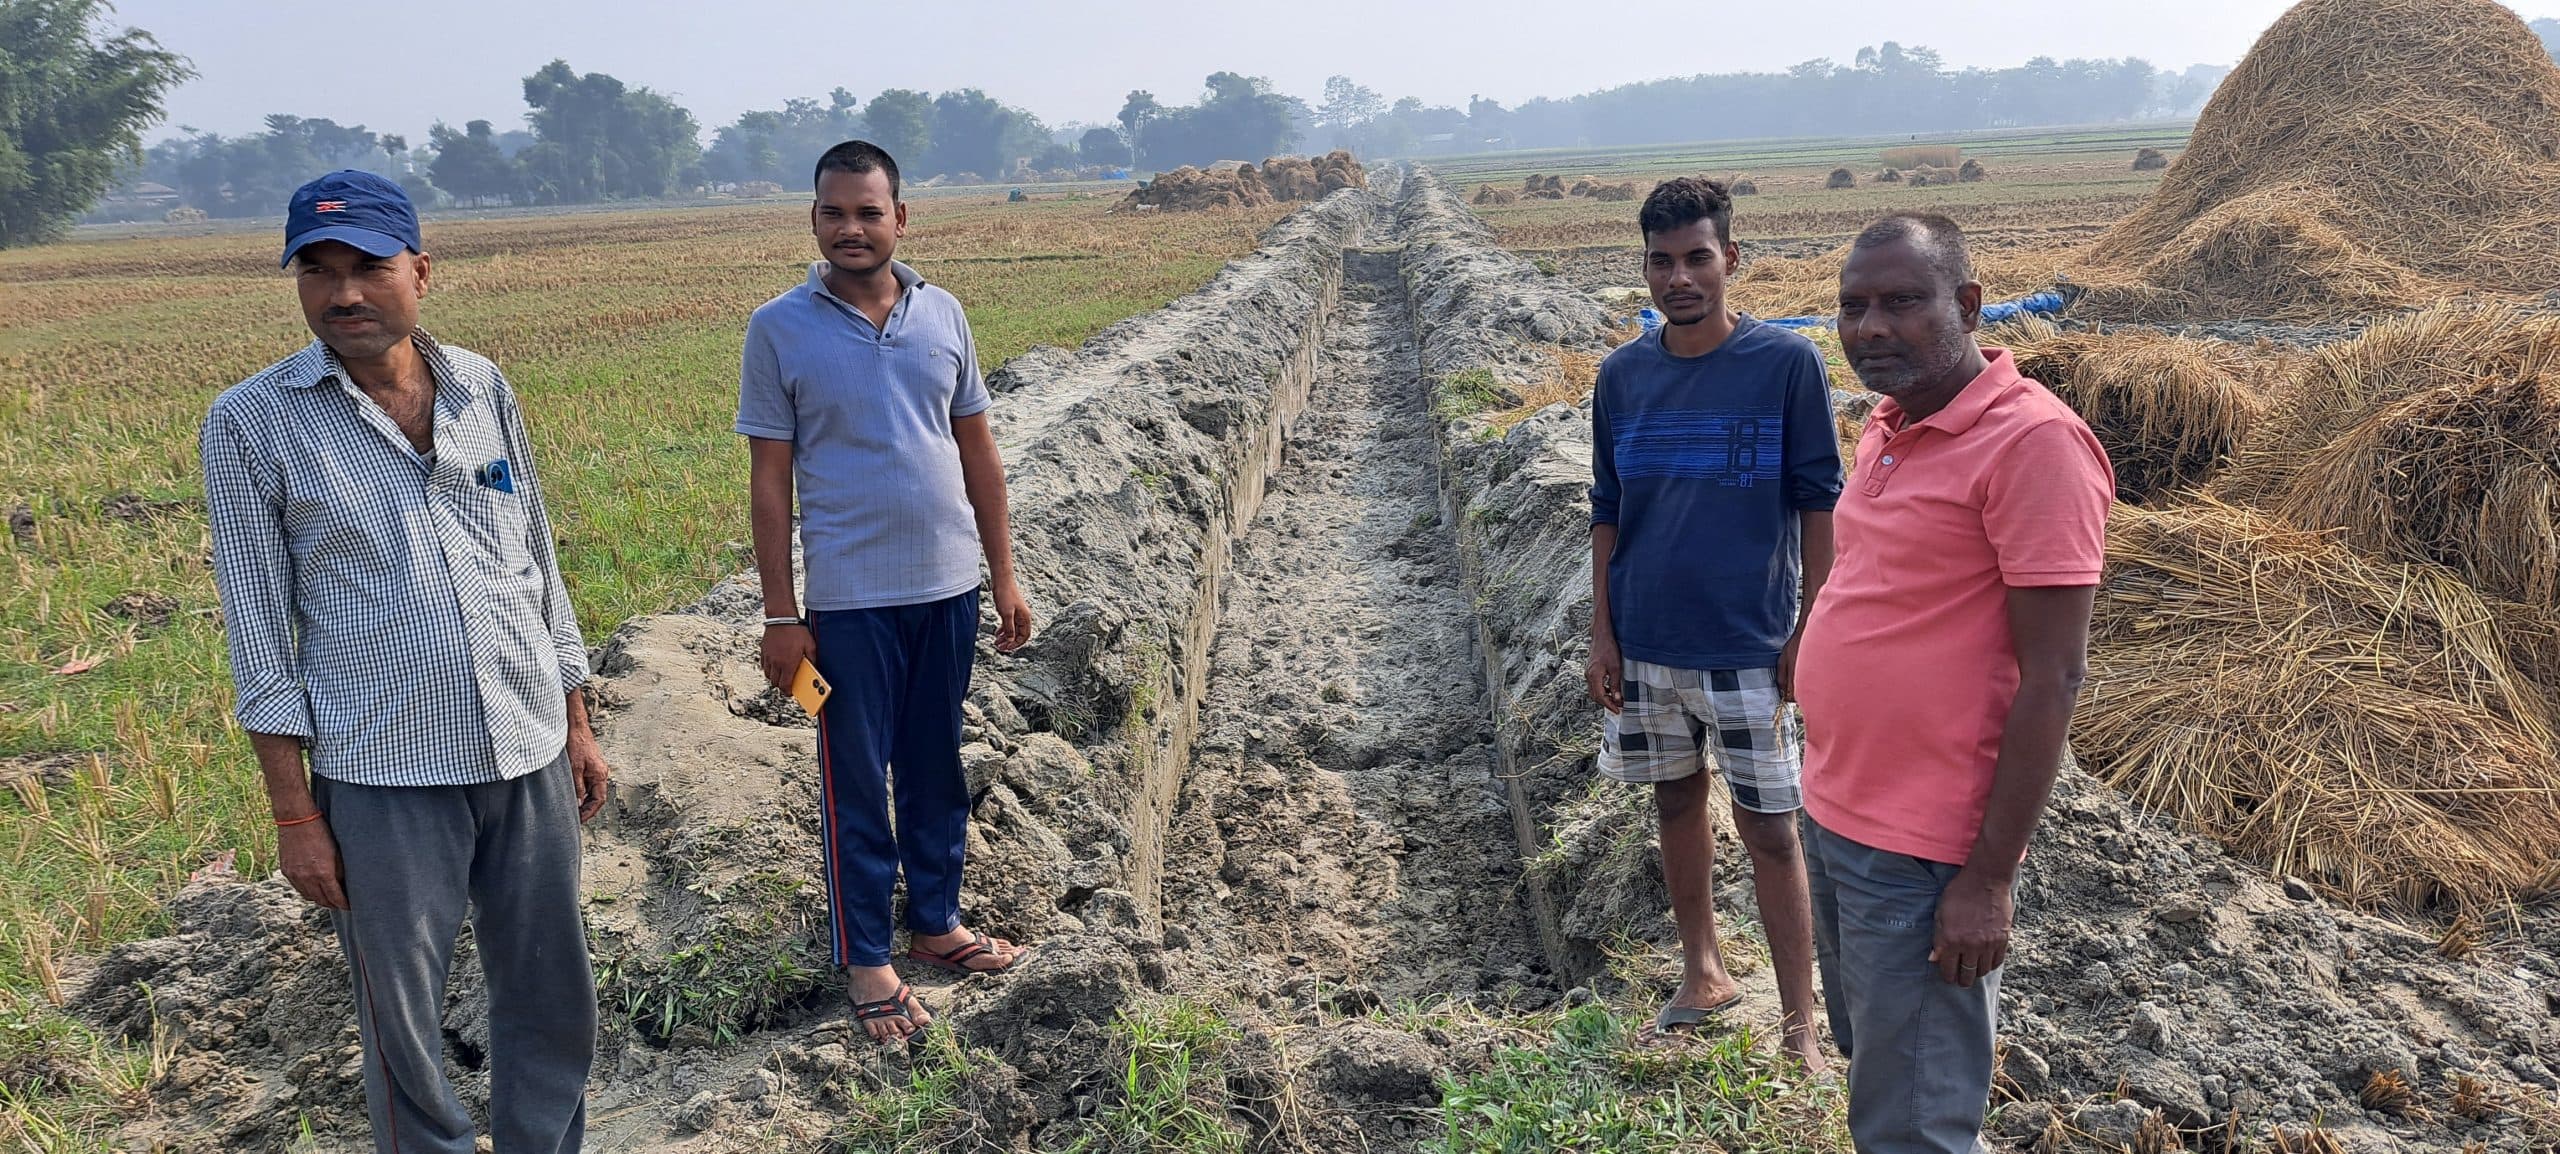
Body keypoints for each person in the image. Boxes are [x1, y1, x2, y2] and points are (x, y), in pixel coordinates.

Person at [201, 170, 610, 1154]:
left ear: (420, 271)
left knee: (553, 993)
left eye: (369, 267)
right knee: (404, 1035)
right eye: (319, 270)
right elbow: (258, 633)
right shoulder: (253, 421)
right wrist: (296, 813)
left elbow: (536, 558)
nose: (344, 292)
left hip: (526, 744)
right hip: (384, 775)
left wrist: (578, 719)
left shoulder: (481, 386)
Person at [1794, 213, 2111, 1153]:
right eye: (1853, 306)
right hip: (1839, 812)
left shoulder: (2033, 446)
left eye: (1902, 301)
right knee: (1879, 1063)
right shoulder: (1890, 426)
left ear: (1968, 305)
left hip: (1926, 849)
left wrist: (1989, 879)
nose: (1871, 327)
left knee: (1918, 1119)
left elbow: (2054, 677)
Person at [736, 140, 1037, 1043]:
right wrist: (783, 616)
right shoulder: (780, 328)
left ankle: (937, 925)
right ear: (814, 220)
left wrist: (1004, 575)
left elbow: (978, 453)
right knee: (856, 783)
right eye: (835, 212)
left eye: (870, 212)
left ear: (901, 218)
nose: (852, 228)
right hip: (850, 605)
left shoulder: (943, 313)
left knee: (938, 766)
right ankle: (867, 956)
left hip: (947, 591)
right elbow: (768, 484)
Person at [1586, 177, 1841, 1067]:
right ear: (1645, 269)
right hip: (1649, 639)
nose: (1679, 277)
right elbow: (1606, 509)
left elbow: (1818, 503)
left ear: (1732, 259)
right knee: (1673, 799)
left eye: (1698, 258)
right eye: (1662, 261)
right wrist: (1604, 632)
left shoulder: (1784, 366)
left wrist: (1813, 623)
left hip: (1747, 644)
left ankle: (1801, 1023)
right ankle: (1704, 971)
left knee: (1771, 827)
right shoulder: (1621, 376)